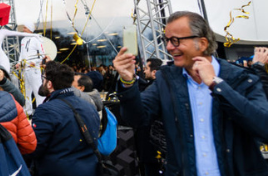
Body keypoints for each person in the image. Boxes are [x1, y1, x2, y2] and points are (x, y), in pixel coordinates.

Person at [113, 11, 268, 176]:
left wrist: (217, 85)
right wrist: (128, 82)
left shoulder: (241, 78)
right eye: (167, 41)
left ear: (201, 43)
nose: (169, 47)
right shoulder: (166, 79)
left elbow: (263, 127)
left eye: (176, 40)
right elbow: (136, 118)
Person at [29, 61, 99, 176]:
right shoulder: (89, 106)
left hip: (58, 171)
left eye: (44, 79)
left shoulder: (46, 110)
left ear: (49, 84)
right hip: (90, 169)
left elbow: (35, 148)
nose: (42, 82)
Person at [16, 22, 46, 115]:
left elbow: (42, 55)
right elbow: (22, 54)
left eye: (25, 27)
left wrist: (36, 62)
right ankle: (28, 112)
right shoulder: (23, 40)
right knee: (26, 91)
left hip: (34, 69)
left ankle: (41, 111)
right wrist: (19, 63)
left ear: (30, 29)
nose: (23, 29)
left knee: (37, 90)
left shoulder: (37, 39)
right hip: (25, 69)